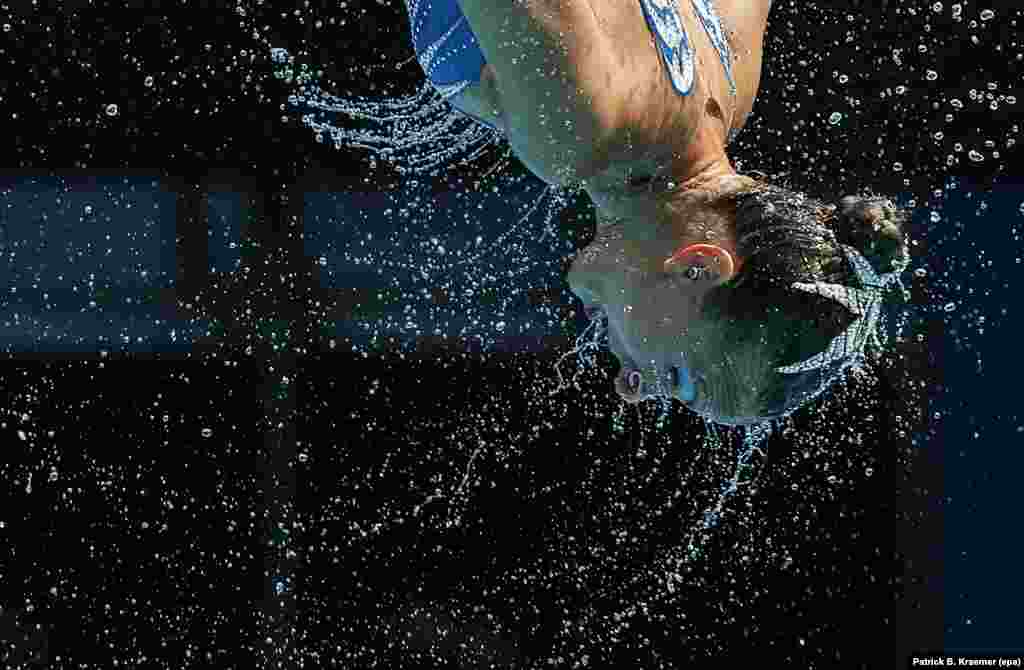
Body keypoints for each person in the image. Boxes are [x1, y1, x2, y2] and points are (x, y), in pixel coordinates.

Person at [405, 0, 911, 426]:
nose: (633, 388)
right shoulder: (574, 133)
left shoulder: (732, 78)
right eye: (674, 376)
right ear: (700, 267)